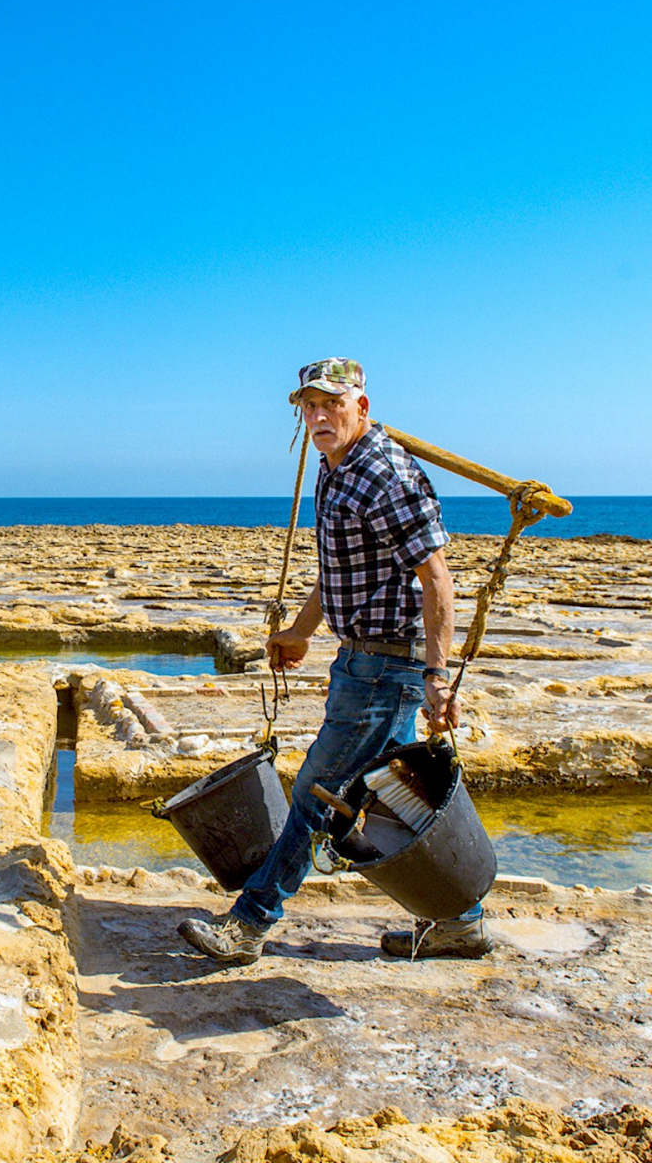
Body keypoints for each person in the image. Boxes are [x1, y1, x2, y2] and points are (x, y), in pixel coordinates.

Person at [178, 357, 493, 964]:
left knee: (318, 793)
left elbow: (437, 581)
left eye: (333, 405)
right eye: (310, 406)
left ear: (362, 407)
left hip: (386, 670)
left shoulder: (385, 475)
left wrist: (435, 675)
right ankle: (461, 922)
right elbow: (340, 571)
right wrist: (299, 629)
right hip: (360, 662)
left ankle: (249, 924)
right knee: (391, 793)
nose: (320, 416)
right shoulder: (333, 468)